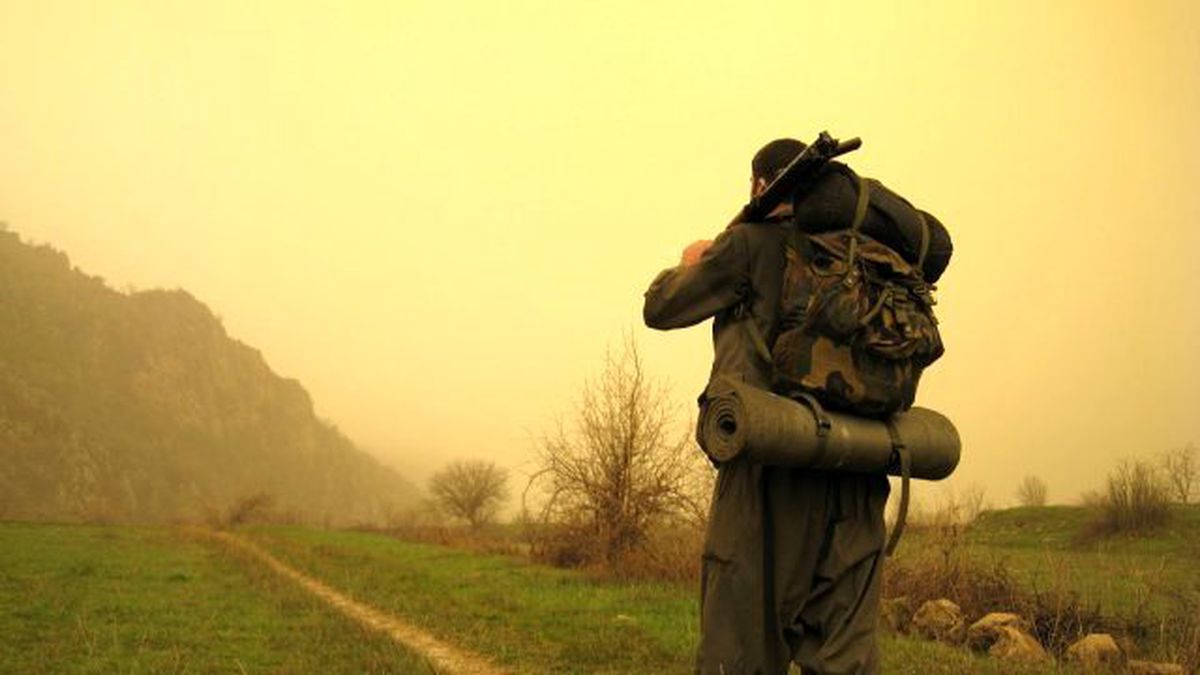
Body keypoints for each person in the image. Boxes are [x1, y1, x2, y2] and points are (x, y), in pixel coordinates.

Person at [643, 138, 890, 675]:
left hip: (770, 467)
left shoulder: (749, 244)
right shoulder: (869, 259)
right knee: (845, 659)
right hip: (861, 470)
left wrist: (689, 262)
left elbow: (660, 309)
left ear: (761, 186)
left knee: (741, 649)